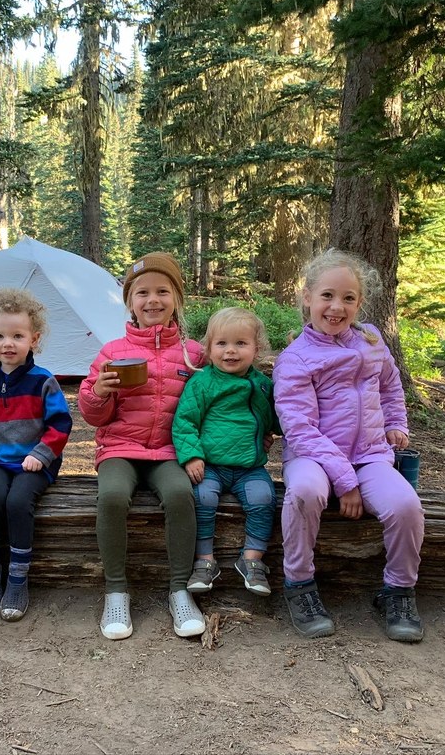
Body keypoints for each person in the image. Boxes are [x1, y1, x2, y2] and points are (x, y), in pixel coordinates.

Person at [273, 249, 425, 642]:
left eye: (348, 298)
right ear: (307, 297)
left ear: (359, 302)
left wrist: (395, 424)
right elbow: (300, 428)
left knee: (406, 504)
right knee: (304, 493)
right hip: (314, 458)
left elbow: (391, 387)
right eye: (327, 296)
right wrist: (346, 482)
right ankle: (300, 584)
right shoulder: (295, 359)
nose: (336, 307)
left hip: (371, 454)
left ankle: (398, 590)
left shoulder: (372, 341)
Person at [78, 252, 206, 640]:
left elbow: (209, 402)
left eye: (162, 291)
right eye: (143, 293)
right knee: (113, 496)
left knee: (181, 495)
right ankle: (116, 591)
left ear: (177, 299)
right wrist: (99, 391)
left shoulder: (194, 353)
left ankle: (180, 590)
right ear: (130, 302)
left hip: (169, 451)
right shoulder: (113, 351)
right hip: (120, 447)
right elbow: (93, 415)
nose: (153, 300)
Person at [0, 288, 72, 622]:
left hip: (33, 461)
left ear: (35, 338)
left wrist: (42, 454)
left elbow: (60, 423)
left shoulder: (43, 380)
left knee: (17, 502)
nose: (8, 344)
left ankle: (17, 576)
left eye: (17, 335)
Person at [173, 307, 280, 596]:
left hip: (250, 467)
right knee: (203, 499)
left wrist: (270, 430)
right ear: (208, 349)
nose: (230, 351)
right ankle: (205, 560)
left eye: (240, 344)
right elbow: (184, 421)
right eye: (222, 344)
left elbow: (276, 418)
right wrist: (192, 455)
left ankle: (252, 559)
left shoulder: (262, 385)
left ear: (256, 349)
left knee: (264, 499)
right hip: (211, 465)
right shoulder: (203, 382)